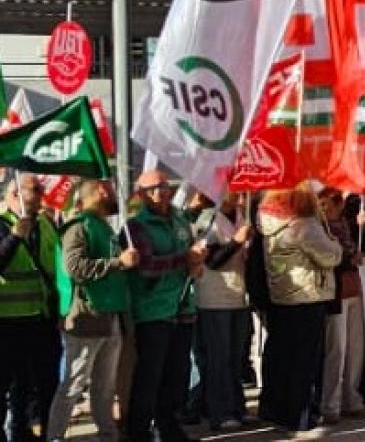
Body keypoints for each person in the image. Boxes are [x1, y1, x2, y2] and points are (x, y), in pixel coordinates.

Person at [46, 179, 139, 442]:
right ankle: (55, 436)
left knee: (105, 386)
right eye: (109, 189)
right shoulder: (78, 227)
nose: (114, 193)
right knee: (74, 383)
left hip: (110, 314)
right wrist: (117, 262)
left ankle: (108, 433)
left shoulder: (103, 226)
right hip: (87, 315)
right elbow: (74, 267)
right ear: (99, 192)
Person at [124, 170, 205, 442]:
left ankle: (168, 425)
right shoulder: (137, 226)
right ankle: (138, 430)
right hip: (152, 309)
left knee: (176, 374)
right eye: (154, 188)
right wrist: (184, 259)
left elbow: (190, 252)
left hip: (182, 305)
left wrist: (196, 263)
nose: (162, 192)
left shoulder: (179, 219)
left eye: (165, 186)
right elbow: (146, 267)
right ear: (142, 194)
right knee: (150, 376)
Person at [257, 185, 342, 432]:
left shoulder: (268, 224)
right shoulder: (304, 226)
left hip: (282, 297)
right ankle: (301, 414)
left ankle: (275, 410)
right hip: (307, 297)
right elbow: (330, 256)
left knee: (281, 357)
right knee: (305, 361)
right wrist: (334, 242)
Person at [0, 175, 62, 442]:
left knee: (45, 383)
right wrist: (14, 238)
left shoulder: (45, 225)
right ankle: (14, 433)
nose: (41, 194)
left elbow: (57, 270)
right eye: (35, 190)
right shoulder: (2, 225)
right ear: (14, 194)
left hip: (42, 318)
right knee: (11, 386)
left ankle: (45, 432)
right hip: (7, 321)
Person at [192, 193, 253, 432]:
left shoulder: (241, 216)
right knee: (219, 357)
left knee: (236, 357)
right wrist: (237, 242)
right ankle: (220, 411)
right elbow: (212, 260)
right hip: (215, 298)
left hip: (239, 297)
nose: (238, 195)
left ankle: (237, 406)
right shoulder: (208, 219)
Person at [317, 189, 365, 425]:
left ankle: (352, 399)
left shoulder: (348, 227)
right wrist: (349, 259)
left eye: (327, 205)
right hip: (334, 294)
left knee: (354, 349)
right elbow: (327, 260)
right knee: (336, 350)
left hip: (353, 290)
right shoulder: (320, 230)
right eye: (320, 205)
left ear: (339, 206)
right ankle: (330, 404)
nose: (323, 209)